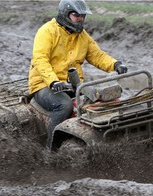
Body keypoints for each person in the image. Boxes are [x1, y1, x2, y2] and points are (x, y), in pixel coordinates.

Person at [28, 0, 128, 149]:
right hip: (45, 85)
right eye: (76, 15)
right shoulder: (47, 31)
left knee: (103, 99)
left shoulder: (82, 35)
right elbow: (40, 60)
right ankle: (51, 148)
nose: (80, 19)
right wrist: (53, 82)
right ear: (65, 14)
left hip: (74, 84)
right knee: (64, 105)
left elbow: (97, 55)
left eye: (82, 16)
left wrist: (115, 64)